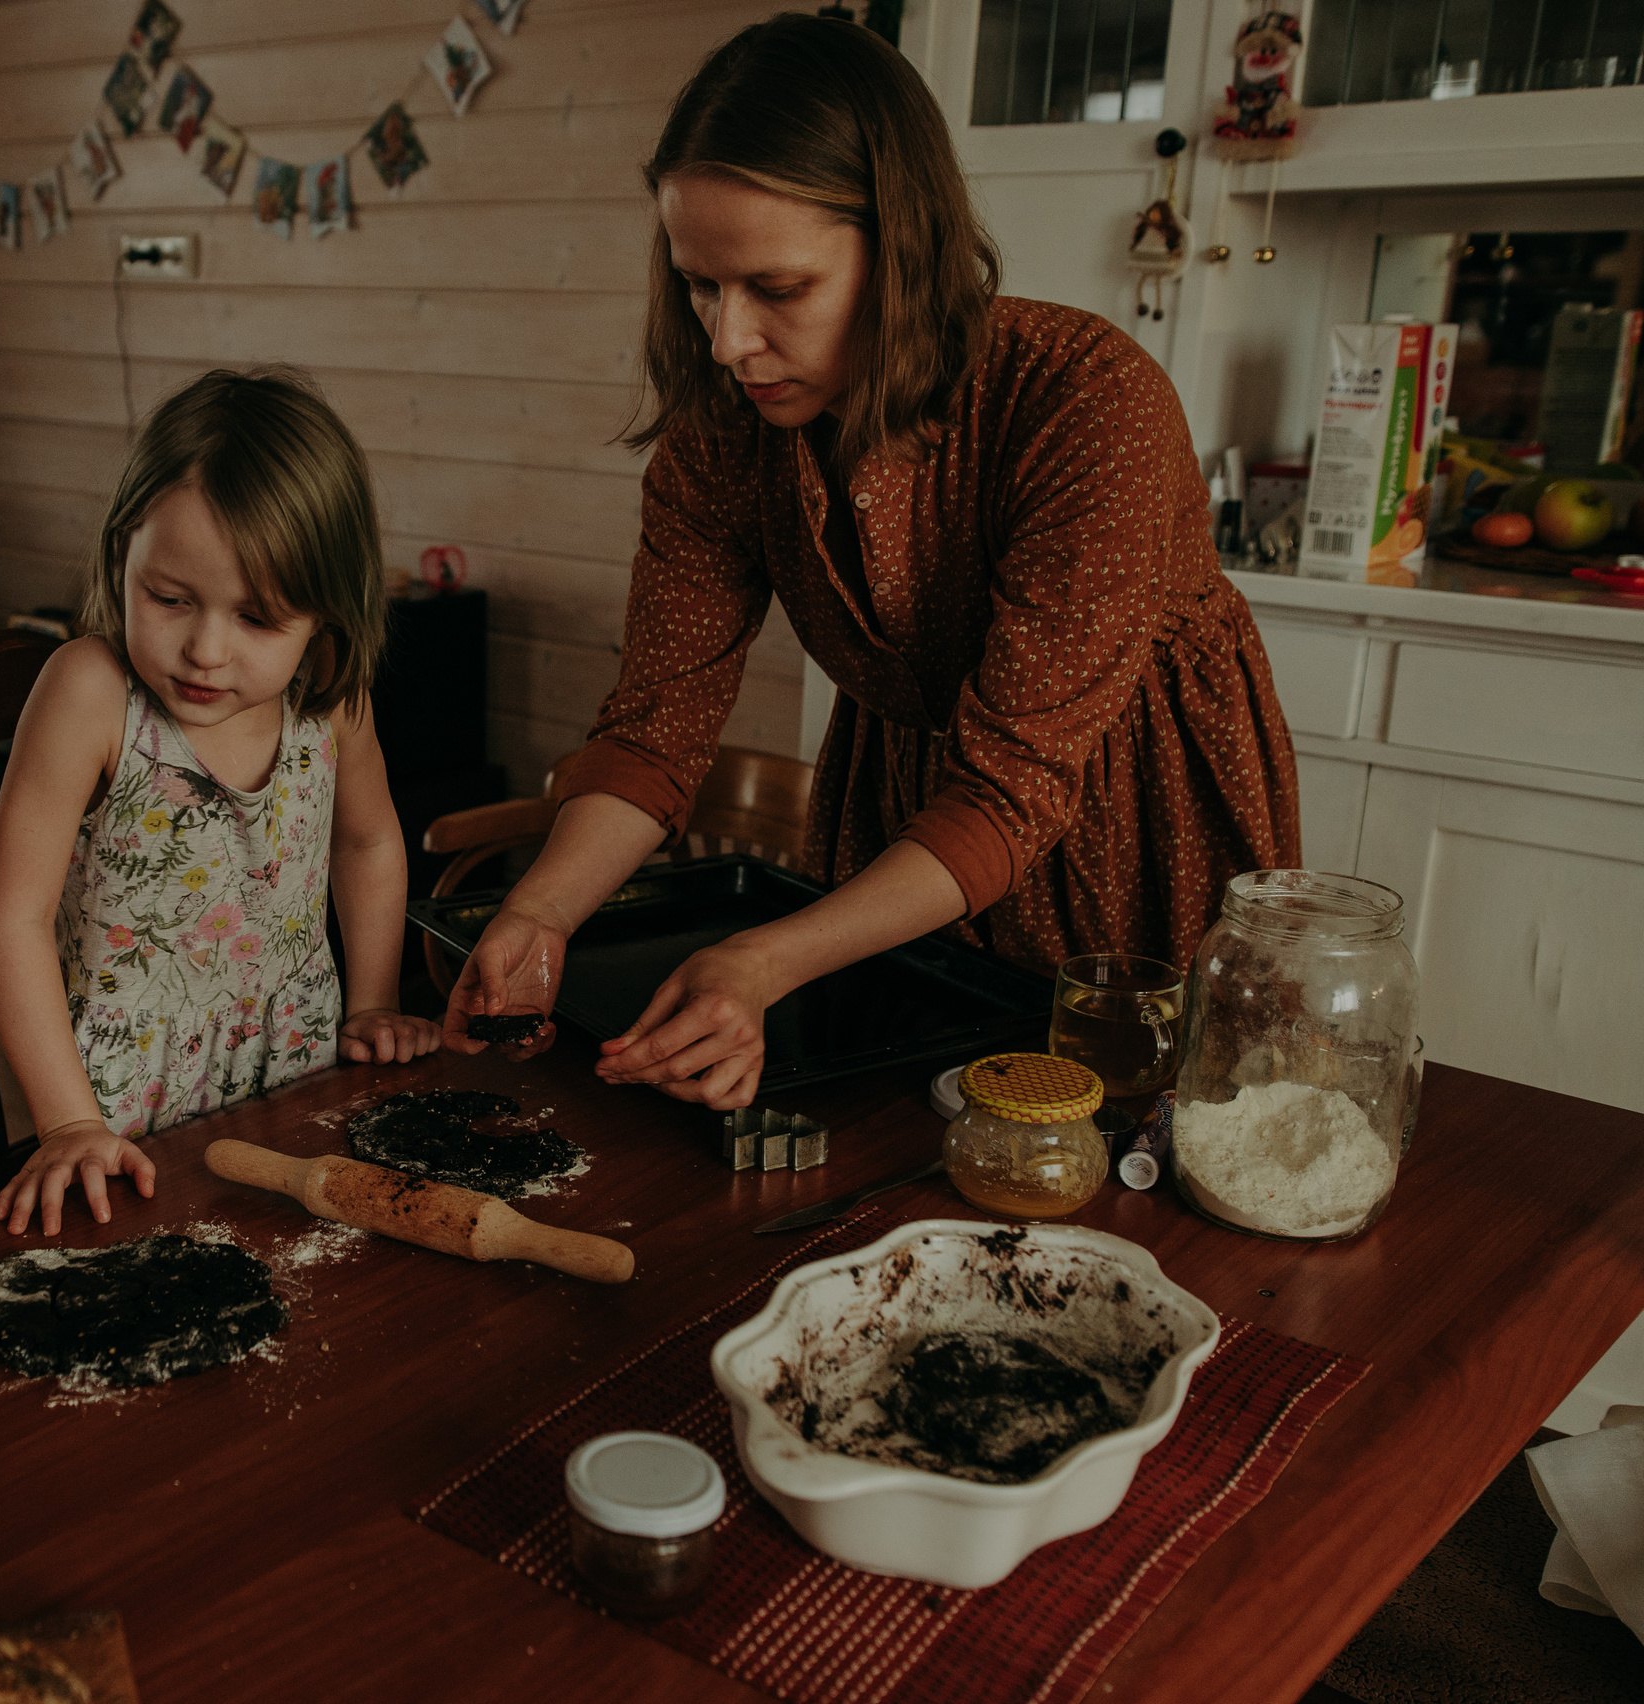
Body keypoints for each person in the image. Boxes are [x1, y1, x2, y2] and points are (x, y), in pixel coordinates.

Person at [443, 15, 1298, 1110]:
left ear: (903, 246)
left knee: (1127, 1131)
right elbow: (655, 731)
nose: (725, 341)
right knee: (910, 1131)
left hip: (1130, 809)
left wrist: (763, 957)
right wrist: (539, 912)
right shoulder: (722, 435)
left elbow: (1008, 787)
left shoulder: (1087, 402)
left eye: (776, 290)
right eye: (700, 285)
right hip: (907, 820)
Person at [0, 366, 441, 1235]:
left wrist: (373, 999)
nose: (204, 650)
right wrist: (68, 1122)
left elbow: (369, 843)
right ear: (125, 550)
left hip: (294, 1077)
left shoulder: (330, 700)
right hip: (112, 1110)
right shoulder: (89, 690)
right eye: (169, 599)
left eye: (259, 620)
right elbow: (10, 915)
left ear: (323, 620)